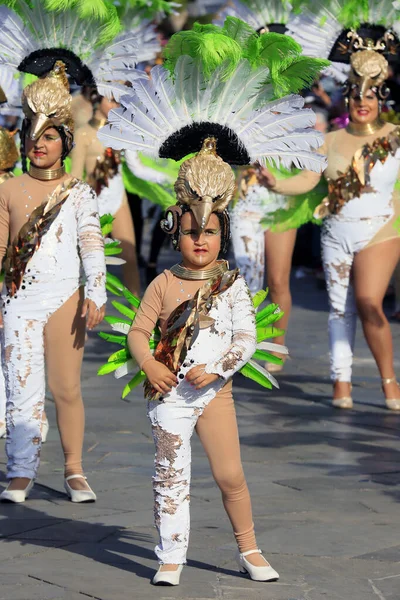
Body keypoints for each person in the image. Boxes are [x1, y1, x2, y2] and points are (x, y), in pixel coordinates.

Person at [97, 18, 327, 583]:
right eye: (191, 232)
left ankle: (249, 548)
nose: (201, 240)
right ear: (176, 233)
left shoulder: (232, 287)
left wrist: (217, 367)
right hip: (169, 394)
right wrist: (150, 362)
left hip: (213, 391)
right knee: (170, 478)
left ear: (223, 235)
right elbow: (138, 329)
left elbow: (247, 338)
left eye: (211, 233)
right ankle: (170, 556)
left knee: (230, 474)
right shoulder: (162, 283)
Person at [258, 27, 400, 410]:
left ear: (381, 98)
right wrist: (276, 184)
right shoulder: (331, 141)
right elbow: (307, 179)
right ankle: (342, 382)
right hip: (335, 233)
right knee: (339, 310)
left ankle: (389, 382)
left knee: (369, 301)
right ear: (347, 99)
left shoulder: (397, 137)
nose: (362, 102)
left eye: (370, 95)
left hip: (382, 231)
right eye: (356, 95)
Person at [0, 62, 107, 503]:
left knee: (65, 388)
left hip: (65, 296)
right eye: (32, 135)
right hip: (18, 300)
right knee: (21, 386)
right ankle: (20, 471)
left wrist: (96, 291)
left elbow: (91, 244)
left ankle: (74, 469)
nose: (38, 144)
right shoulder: (7, 190)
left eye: (48, 137)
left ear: (64, 142)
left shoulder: (79, 191)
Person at [70, 93, 140, 297]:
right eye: (110, 99)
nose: (115, 104)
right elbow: (76, 174)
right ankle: (81, 310)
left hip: (119, 200)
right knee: (88, 260)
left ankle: (137, 314)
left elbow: (136, 166)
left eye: (117, 100)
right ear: (97, 99)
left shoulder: (120, 132)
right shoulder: (83, 133)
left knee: (130, 256)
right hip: (94, 203)